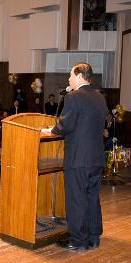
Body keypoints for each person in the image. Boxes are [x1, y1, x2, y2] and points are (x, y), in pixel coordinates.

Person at [47, 62, 107, 251]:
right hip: (96, 158)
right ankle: (94, 237)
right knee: (91, 198)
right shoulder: (100, 97)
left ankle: (78, 241)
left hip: (78, 159)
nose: (69, 79)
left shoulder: (74, 97)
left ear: (80, 76)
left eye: (71, 76)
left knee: (76, 200)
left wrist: (52, 129)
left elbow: (65, 126)